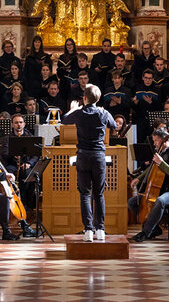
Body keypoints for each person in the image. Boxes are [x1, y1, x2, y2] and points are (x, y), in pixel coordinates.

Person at [62, 84, 117, 242]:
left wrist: (73, 109)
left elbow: (65, 121)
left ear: (84, 98)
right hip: (99, 156)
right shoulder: (103, 112)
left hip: (83, 156)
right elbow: (114, 126)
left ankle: (88, 231)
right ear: (98, 99)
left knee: (85, 194)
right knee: (98, 194)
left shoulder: (79, 113)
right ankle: (100, 229)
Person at [128, 126, 169, 242]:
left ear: (164, 140)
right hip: (161, 189)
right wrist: (138, 178)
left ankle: (145, 232)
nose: (154, 144)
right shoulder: (160, 152)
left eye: (156, 141)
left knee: (160, 201)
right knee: (132, 202)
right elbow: (151, 169)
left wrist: (162, 163)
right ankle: (154, 228)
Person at [0, 113, 38, 235]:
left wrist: (29, 164)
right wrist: (13, 154)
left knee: (28, 175)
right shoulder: (7, 138)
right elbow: (4, 153)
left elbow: (35, 155)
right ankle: (14, 205)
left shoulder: (29, 136)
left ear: (24, 124)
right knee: (11, 174)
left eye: (20, 122)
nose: (18, 124)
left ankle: (26, 205)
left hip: (25, 164)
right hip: (12, 164)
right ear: (12, 124)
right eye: (16, 122)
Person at [132, 68, 162, 141]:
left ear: (153, 79)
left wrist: (150, 102)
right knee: (140, 140)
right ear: (143, 78)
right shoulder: (137, 88)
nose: (148, 80)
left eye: (150, 78)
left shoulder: (157, 90)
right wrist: (135, 102)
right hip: (140, 117)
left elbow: (160, 107)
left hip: (153, 119)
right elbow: (132, 106)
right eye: (146, 78)